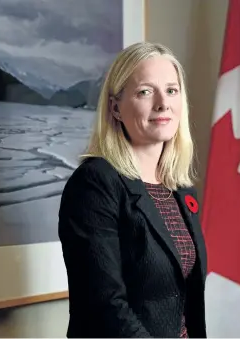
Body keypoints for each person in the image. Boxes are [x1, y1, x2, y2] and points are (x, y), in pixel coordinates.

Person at [58, 41, 207, 338]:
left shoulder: (180, 190)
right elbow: (105, 306)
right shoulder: (94, 184)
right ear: (115, 108)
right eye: (145, 92)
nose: (163, 103)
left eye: (171, 90)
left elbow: (185, 301)